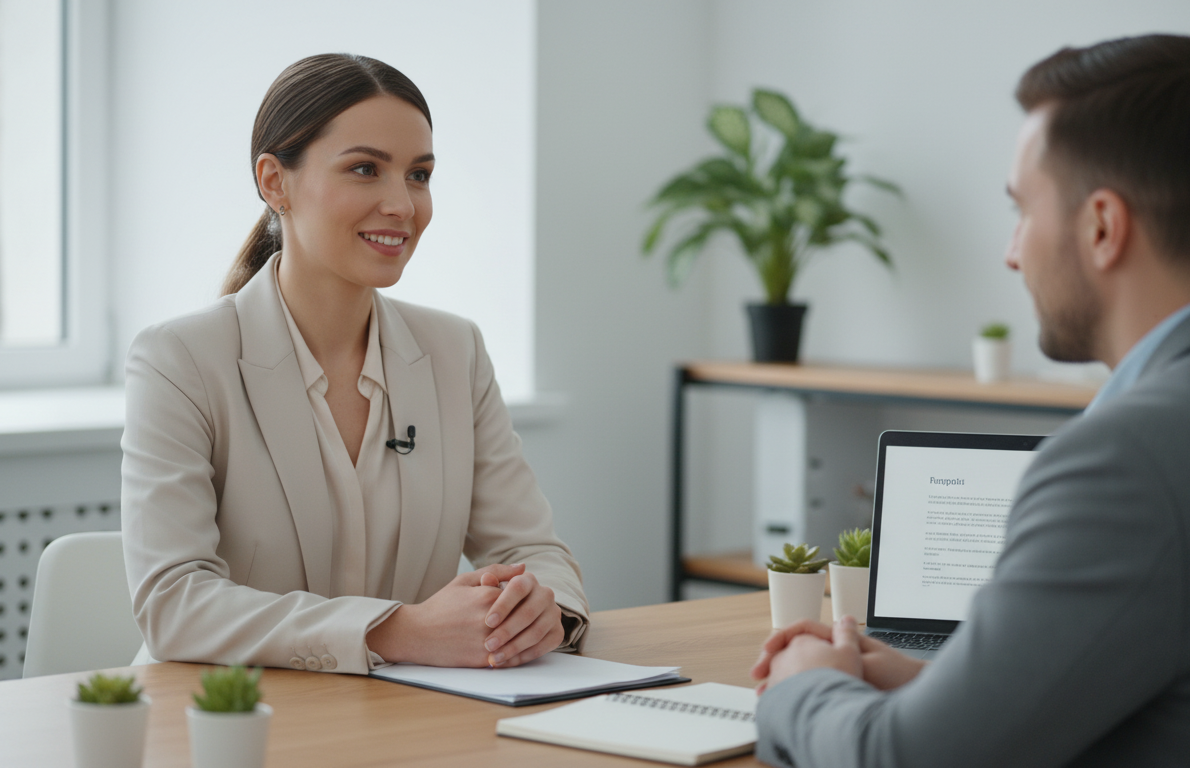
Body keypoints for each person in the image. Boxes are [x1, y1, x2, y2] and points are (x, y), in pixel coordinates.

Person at [749, 34, 1190, 767]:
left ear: (1102, 227)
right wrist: (940, 689)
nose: (1012, 253)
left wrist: (805, 685)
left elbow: (905, 761)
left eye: (1022, 210)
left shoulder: (1127, 461)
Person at [121, 54, 588, 676]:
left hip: (404, 714)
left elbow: (532, 550)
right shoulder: (178, 360)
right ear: (274, 182)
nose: (402, 204)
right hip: (226, 713)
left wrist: (540, 611)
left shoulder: (456, 351)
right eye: (365, 169)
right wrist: (396, 630)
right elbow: (173, 601)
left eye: (418, 175)